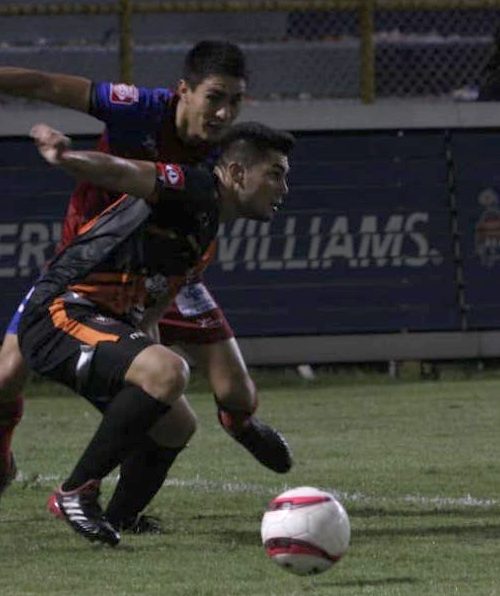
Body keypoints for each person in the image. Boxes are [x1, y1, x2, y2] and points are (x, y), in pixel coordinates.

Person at [0, 42, 292, 531]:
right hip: (88, 271)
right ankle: (64, 484)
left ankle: (129, 506)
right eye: (214, 98)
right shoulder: (143, 114)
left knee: (207, 404)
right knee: (8, 372)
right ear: (184, 91)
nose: (223, 113)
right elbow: (53, 93)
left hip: (159, 275)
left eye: (235, 102)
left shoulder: (223, 160)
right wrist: (68, 158)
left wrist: (145, 334)